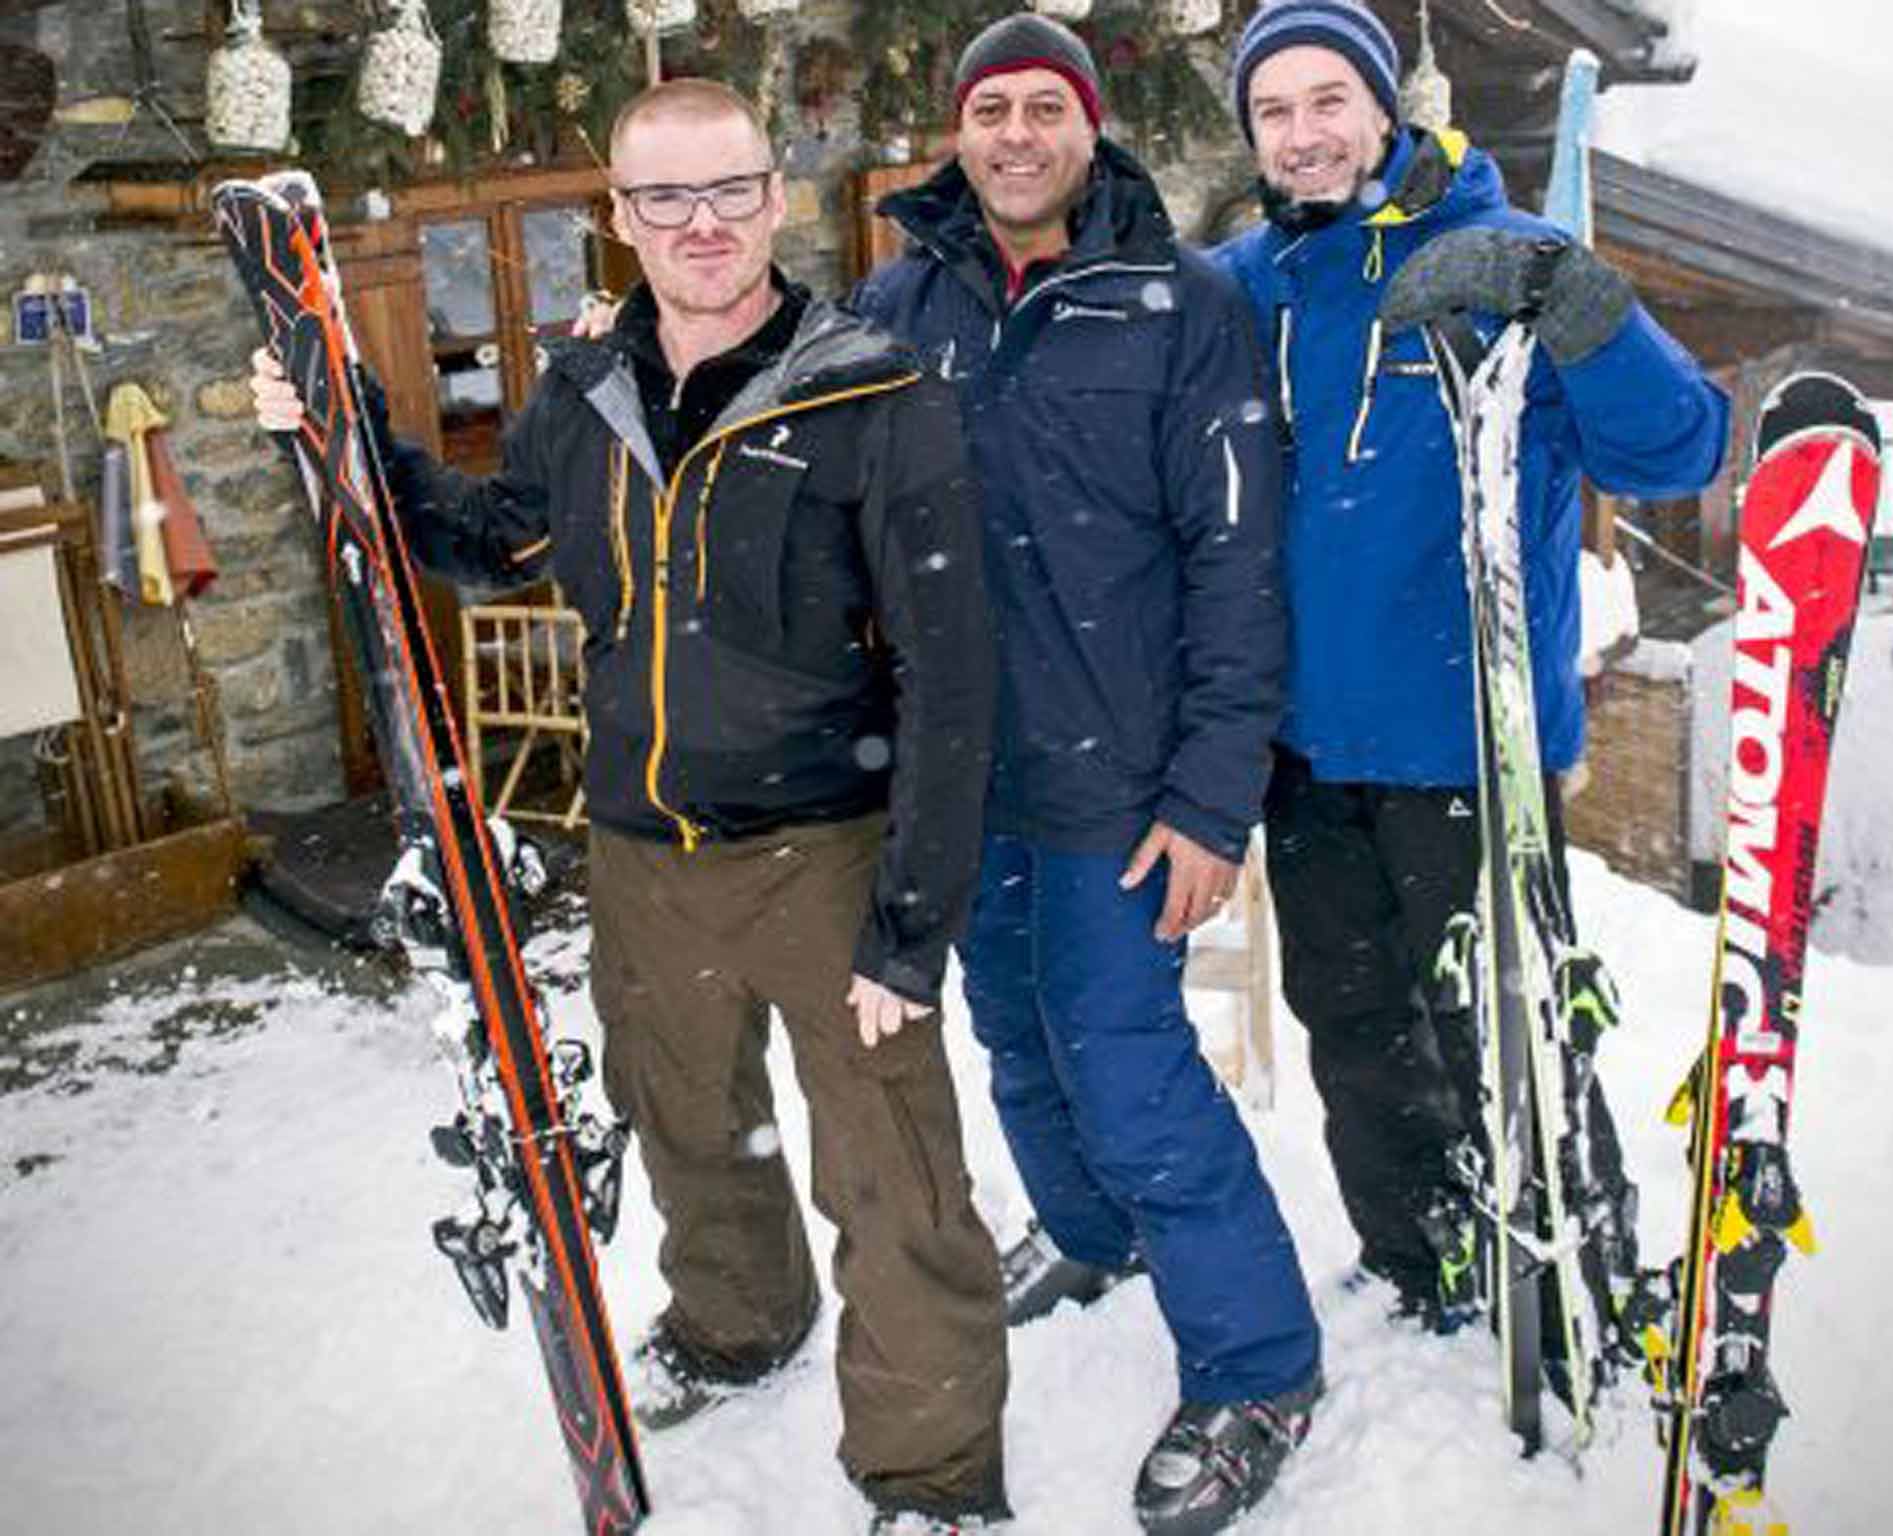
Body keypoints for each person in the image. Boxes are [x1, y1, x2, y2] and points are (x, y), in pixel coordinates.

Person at [251, 79, 1009, 1536]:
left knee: (894, 1177)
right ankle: (738, 1323)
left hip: (825, 854)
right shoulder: (588, 392)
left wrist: (910, 929)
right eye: (665, 196)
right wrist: (348, 428)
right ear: (621, 216)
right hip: (642, 851)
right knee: (687, 1129)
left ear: (775, 198)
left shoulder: (869, 394)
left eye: (728, 190)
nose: (700, 223)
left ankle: (930, 1472)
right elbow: (497, 541)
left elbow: (951, 675)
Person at [852, 16, 1320, 1536]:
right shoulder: (899, 303)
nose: (1015, 135)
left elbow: (1240, 569)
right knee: (1012, 1035)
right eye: (989, 109)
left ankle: (1259, 1365)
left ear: (1088, 127)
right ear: (958, 131)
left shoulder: (1182, 307)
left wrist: (1209, 801)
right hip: (960, 776)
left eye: (1044, 108)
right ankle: (1086, 1232)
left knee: (1127, 1069)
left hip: (1120, 781)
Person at [1210, 0, 1729, 1333]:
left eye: (1330, 101)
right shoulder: (1248, 285)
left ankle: (1576, 1271)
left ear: (1388, 110)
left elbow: (1675, 450)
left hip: (1471, 746)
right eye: (1274, 110)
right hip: (1304, 751)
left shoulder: (1505, 258)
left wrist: (1581, 309)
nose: (1304, 133)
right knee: (1353, 1026)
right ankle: (1417, 1253)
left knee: (1515, 1031)